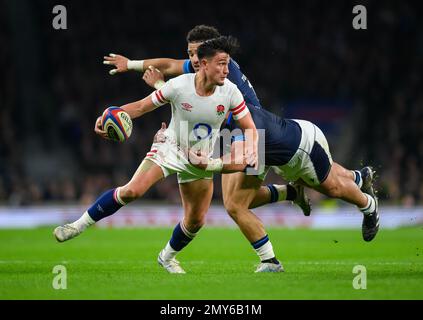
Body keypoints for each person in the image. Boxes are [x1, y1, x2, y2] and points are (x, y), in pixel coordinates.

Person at [103, 25, 377, 273]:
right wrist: (133, 64)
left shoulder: (222, 71)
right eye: (191, 54)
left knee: (320, 188)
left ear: (214, 55)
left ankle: (364, 204)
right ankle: (348, 180)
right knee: (239, 202)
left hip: (252, 133)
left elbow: (185, 97)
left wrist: (207, 163)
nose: (193, 60)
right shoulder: (206, 68)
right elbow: (172, 66)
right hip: (247, 132)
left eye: (197, 54)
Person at [54, 36, 259, 275]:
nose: (226, 70)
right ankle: (76, 226)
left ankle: (167, 257)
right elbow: (141, 107)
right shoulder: (179, 85)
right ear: (204, 64)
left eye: (227, 64)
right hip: (169, 147)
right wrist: (108, 115)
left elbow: (250, 128)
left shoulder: (231, 92)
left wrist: (253, 147)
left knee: (195, 222)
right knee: (132, 191)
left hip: (200, 158)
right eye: (222, 64)